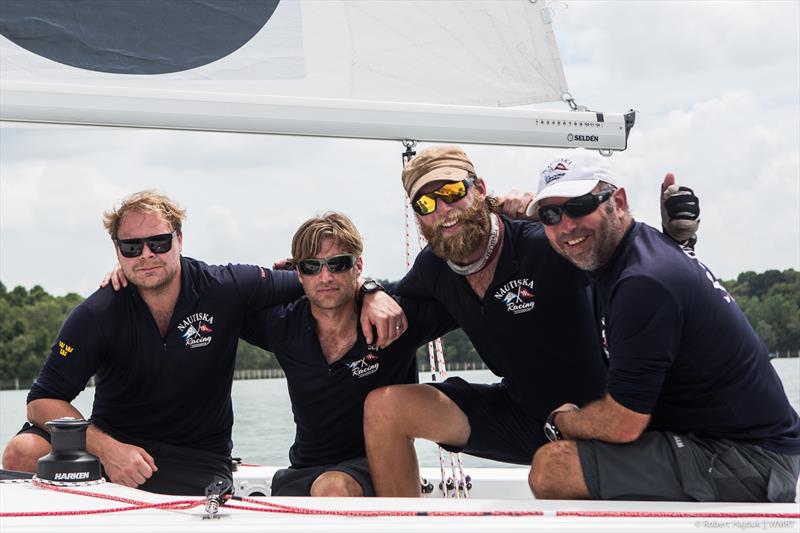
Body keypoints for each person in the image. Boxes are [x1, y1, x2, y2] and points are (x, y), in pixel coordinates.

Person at [1, 190, 404, 495]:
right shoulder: (97, 313)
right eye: (132, 247)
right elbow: (42, 401)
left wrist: (371, 289)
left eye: (158, 242)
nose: (146, 255)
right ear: (117, 251)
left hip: (196, 459)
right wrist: (106, 449)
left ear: (179, 238)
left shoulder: (226, 286)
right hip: (112, 449)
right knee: (21, 450)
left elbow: (318, 282)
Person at [363, 145, 701, 497]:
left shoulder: (542, 243)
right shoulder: (434, 268)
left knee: (552, 470)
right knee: (385, 408)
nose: (443, 210)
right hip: (523, 416)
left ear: (479, 189)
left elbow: (627, 260)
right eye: (426, 204)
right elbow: (393, 299)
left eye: (451, 193)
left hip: (599, 419)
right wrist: (366, 288)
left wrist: (678, 239)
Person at [525, 148, 800, 502]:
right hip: (731, 442)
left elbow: (624, 424)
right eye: (550, 214)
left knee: (553, 468)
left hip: (753, 460)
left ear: (618, 202)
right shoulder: (636, 255)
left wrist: (561, 421)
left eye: (579, 206)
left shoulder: (643, 282)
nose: (566, 225)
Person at [240, 212, 456, 496]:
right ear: (298, 274)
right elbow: (218, 302)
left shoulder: (394, 314)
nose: (326, 276)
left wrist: (510, 217)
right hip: (303, 472)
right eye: (311, 266)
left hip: (379, 468)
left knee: (333, 488)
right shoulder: (281, 325)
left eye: (339, 264)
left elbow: (463, 275)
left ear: (358, 266)